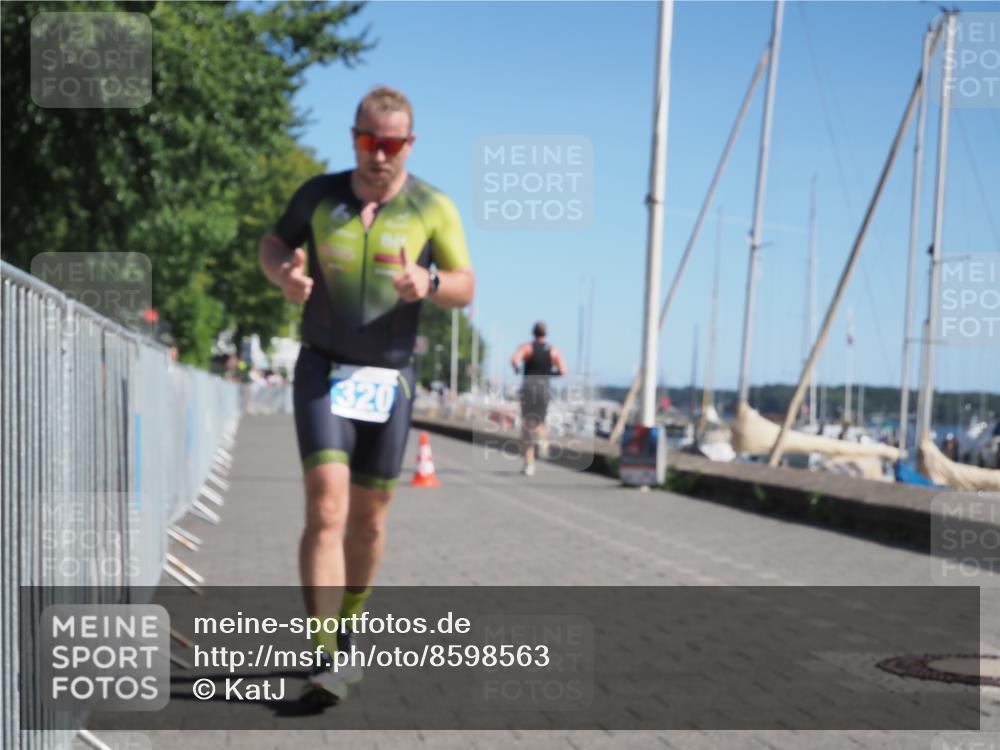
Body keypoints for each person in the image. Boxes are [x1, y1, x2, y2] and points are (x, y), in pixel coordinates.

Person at [259, 86, 474, 705]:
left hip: (391, 378)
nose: (377, 155)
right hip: (323, 367)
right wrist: (284, 276)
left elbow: (465, 284)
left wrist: (427, 280)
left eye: (390, 144)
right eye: (366, 140)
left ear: (409, 144)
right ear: (352, 135)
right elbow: (275, 243)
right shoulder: (319, 195)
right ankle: (324, 655)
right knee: (326, 507)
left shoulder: (433, 205)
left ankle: (350, 619)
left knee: (370, 522)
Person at [510, 322, 566, 476]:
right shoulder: (552, 350)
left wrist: (516, 369)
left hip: (529, 387)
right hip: (544, 388)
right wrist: (550, 373)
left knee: (527, 425)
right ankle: (542, 440)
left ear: (533, 333)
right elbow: (563, 370)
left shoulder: (527, 347)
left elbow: (515, 360)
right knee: (541, 421)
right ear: (546, 334)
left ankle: (529, 464)